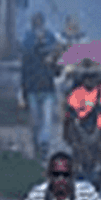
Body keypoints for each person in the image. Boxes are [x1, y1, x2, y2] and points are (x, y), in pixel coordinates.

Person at [20, 13, 60, 158]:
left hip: (47, 87)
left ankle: (44, 144)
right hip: (32, 87)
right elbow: (24, 68)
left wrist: (54, 62)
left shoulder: (51, 39)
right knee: (36, 119)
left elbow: (57, 65)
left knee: (47, 120)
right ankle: (37, 142)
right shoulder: (28, 41)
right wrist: (23, 91)